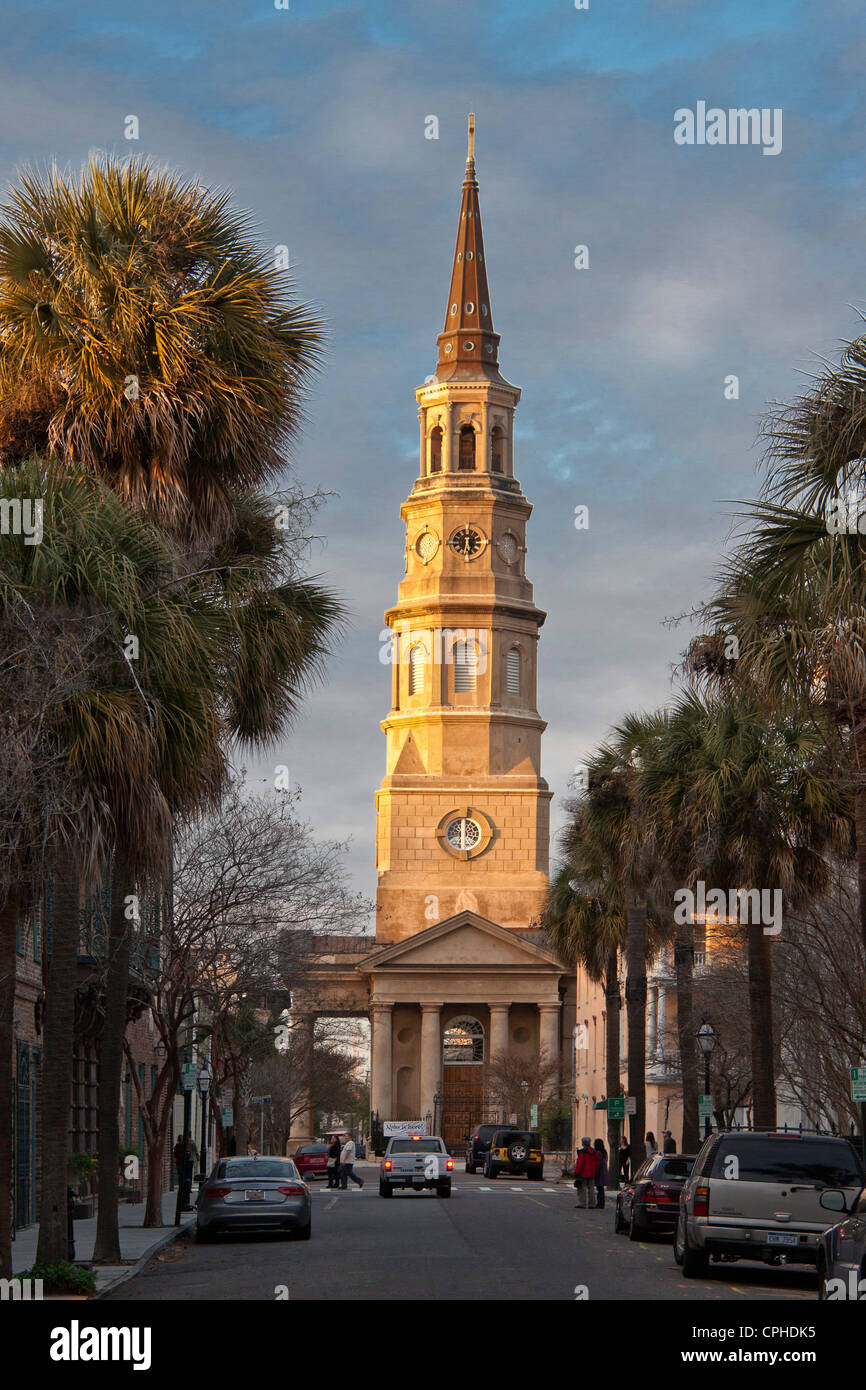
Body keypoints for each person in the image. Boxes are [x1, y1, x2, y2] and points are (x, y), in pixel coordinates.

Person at [573, 1137, 598, 1209]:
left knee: (582, 1189)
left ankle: (582, 1203)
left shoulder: (582, 1152)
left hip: (583, 1173)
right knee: (591, 1189)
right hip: (592, 1173)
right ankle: (592, 1203)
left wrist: (576, 1172)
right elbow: (596, 1163)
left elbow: (580, 1164)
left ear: (583, 1143)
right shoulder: (594, 1152)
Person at [593, 1139, 609, 1209]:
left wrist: (595, 1172)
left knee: (599, 1189)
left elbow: (598, 1164)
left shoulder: (598, 1153)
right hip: (604, 1171)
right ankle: (601, 1203)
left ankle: (600, 1203)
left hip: (600, 1172)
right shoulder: (604, 1152)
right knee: (601, 1188)